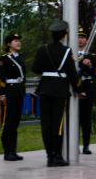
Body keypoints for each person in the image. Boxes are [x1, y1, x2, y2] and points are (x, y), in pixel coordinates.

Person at [32, 20, 86, 167]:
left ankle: (49, 157)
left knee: (46, 125)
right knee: (57, 124)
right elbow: (73, 74)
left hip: (44, 89)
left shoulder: (42, 49)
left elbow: (35, 68)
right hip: (59, 90)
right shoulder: (67, 51)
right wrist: (80, 90)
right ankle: (57, 156)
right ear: (64, 36)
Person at [0, 33, 27, 161]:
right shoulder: (4, 58)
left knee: (15, 123)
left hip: (18, 93)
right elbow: (0, 77)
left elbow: (23, 77)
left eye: (19, 40)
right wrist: (2, 94)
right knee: (7, 123)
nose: (18, 43)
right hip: (9, 94)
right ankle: (7, 152)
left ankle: (13, 151)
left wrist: (23, 92)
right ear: (9, 44)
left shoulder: (21, 58)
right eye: (15, 41)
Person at [77, 26, 96, 154]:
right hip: (74, 90)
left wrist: (90, 66)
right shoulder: (71, 55)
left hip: (87, 89)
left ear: (86, 40)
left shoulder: (91, 56)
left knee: (85, 119)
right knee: (74, 120)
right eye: (78, 37)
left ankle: (86, 145)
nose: (80, 40)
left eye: (82, 38)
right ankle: (73, 145)